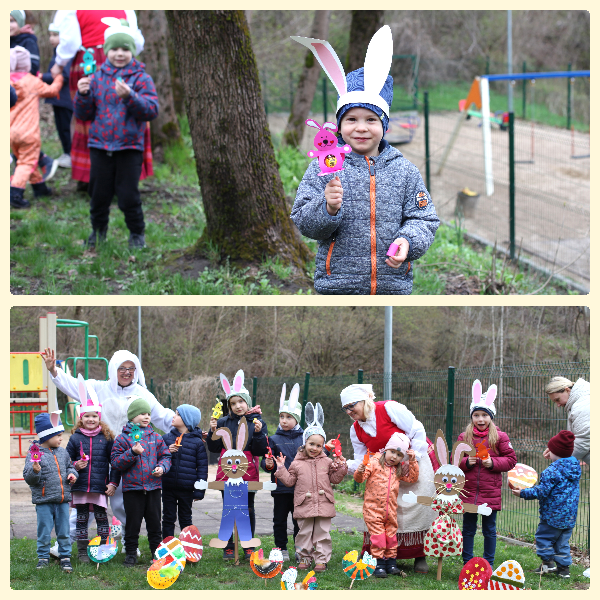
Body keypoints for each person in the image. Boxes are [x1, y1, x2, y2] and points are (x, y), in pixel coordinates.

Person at [290, 27, 439, 294]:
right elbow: (302, 219)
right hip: (337, 286)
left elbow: (424, 219)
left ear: (384, 125)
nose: (361, 128)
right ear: (339, 124)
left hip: (391, 286)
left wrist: (408, 241)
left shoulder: (405, 171)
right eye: (351, 120)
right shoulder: (324, 168)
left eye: (371, 119)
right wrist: (328, 208)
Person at [41, 347, 174, 558]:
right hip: (99, 456)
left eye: (131, 368)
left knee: (128, 504)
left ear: (137, 370)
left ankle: (130, 544)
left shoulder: (142, 394)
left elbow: (162, 416)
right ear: (113, 369)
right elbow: (75, 385)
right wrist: (54, 371)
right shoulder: (98, 388)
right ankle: (63, 544)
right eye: (122, 368)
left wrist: (184, 425)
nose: (127, 372)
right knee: (87, 500)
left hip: (131, 459)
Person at [73, 17, 158, 249]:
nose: (119, 54)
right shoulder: (97, 78)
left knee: (128, 195)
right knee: (98, 195)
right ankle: (98, 232)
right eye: (115, 49)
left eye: (125, 49)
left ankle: (137, 234)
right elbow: (84, 114)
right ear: (107, 51)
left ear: (132, 51)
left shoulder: (141, 78)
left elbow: (151, 110)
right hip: (100, 146)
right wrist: (82, 95)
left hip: (129, 147)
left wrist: (131, 97)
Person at [333, 383, 436, 574]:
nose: (348, 411)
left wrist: (412, 459)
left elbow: (417, 429)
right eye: (344, 408)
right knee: (385, 511)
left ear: (364, 401)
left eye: (351, 406)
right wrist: (345, 465)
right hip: (382, 471)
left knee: (415, 508)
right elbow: (361, 458)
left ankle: (419, 555)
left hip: (413, 457)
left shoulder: (388, 408)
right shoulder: (355, 429)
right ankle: (383, 556)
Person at [50, 9, 148, 191]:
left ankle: (87, 176)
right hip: (125, 61)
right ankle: (125, 176)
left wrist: (58, 64)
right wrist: (125, 50)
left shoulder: (71, 8)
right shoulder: (126, 7)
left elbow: (70, 42)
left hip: (89, 62)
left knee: (86, 117)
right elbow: (137, 42)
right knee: (124, 112)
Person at [274, 402, 347, 572]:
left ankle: (321, 560)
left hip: (323, 503)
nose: (314, 448)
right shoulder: (297, 463)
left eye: (319, 445)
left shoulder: (328, 462)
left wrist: (342, 468)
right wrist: (281, 469)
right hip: (304, 504)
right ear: (305, 442)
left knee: (322, 534)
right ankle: (304, 558)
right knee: (304, 533)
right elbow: (290, 481)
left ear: (323, 447)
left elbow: (335, 479)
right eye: (311, 444)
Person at [207, 371, 268, 560]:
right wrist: (212, 431)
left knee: (248, 507)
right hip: (227, 470)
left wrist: (258, 434)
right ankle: (229, 545)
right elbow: (215, 447)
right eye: (233, 403)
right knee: (229, 507)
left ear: (247, 402)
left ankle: (247, 544)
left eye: (240, 402)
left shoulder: (258, 423)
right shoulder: (224, 421)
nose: (237, 406)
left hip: (248, 469)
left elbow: (259, 450)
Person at [456, 380, 516, 568]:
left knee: (489, 529)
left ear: (491, 416)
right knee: (468, 529)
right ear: (471, 417)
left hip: (490, 492)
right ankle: (467, 561)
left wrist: (493, 463)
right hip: (468, 490)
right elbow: (454, 461)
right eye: (476, 415)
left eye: (484, 415)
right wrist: (466, 462)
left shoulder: (500, 437)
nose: (480, 419)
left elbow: (511, 459)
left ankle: (488, 564)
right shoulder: (464, 437)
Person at [511, 430, 581, 579]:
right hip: (570, 516)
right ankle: (564, 570)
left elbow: (541, 491)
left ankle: (548, 563)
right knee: (562, 543)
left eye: (551, 450)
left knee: (543, 537)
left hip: (552, 515)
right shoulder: (574, 467)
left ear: (555, 452)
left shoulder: (551, 471)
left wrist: (523, 493)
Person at [111, 397, 171, 566]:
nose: (146, 417)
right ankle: (130, 554)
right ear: (132, 417)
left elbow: (165, 456)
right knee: (132, 524)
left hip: (153, 488)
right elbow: (116, 463)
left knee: (154, 524)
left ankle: (156, 553)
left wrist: (162, 467)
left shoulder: (156, 438)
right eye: (142, 414)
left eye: (148, 414)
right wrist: (132, 452)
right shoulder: (122, 439)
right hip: (133, 489)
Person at [65, 390, 120, 563]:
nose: (91, 419)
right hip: (80, 486)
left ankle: (103, 550)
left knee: (101, 518)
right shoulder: (75, 438)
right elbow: (66, 460)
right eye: (87, 416)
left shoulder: (106, 437)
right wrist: (75, 465)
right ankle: (82, 553)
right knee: (81, 519)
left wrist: (112, 483)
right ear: (81, 418)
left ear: (99, 418)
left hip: (99, 486)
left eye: (94, 416)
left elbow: (115, 462)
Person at [354, 432, 419, 578]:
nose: (394, 457)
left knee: (391, 537)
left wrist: (413, 461)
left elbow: (413, 478)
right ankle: (378, 563)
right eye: (392, 452)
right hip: (373, 510)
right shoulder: (374, 463)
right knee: (378, 537)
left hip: (391, 511)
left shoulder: (398, 469)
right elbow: (360, 479)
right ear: (386, 450)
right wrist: (360, 471)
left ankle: (391, 563)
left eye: (399, 454)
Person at [23, 411, 78, 573]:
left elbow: (70, 467)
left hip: (62, 500)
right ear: (47, 436)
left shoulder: (62, 452)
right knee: (44, 531)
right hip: (44, 501)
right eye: (58, 435)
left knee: (64, 531)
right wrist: (35, 470)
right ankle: (43, 558)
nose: (61, 438)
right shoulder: (35, 454)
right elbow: (29, 478)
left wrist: (72, 475)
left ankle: (65, 557)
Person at [10, 46, 64, 209]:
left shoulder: (8, 81)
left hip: (10, 132)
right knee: (27, 162)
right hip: (29, 133)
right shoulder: (31, 81)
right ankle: (15, 193)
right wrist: (59, 78)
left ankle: (40, 188)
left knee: (25, 159)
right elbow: (52, 91)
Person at [10, 9, 59, 182]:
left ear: (21, 23)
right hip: (11, 94)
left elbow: (31, 68)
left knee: (23, 138)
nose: (8, 26)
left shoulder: (28, 40)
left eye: (12, 21)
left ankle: (18, 186)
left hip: (24, 94)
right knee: (17, 140)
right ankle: (39, 183)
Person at [261, 383, 304, 562]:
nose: (284, 420)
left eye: (288, 417)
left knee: (299, 521)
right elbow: (266, 461)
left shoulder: (305, 438)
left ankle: (300, 549)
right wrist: (268, 463)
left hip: (301, 489)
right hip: (280, 489)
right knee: (279, 520)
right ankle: (281, 548)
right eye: (281, 417)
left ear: (297, 419)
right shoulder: (273, 439)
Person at [161, 405, 208, 539]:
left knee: (186, 519)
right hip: (168, 486)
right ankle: (167, 547)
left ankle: (187, 547)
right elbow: (158, 459)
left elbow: (202, 468)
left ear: (187, 420)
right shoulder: (166, 439)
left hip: (187, 488)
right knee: (168, 518)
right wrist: (166, 451)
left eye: (177, 414)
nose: (173, 416)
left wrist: (200, 490)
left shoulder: (197, 442)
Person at [41, 16, 74, 169]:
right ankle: (67, 152)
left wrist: (42, 77)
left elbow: (64, 76)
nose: (51, 39)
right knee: (61, 127)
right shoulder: (56, 53)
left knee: (66, 127)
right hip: (57, 98)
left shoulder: (65, 56)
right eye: (50, 35)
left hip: (66, 99)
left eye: (55, 35)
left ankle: (70, 153)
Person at [545, 376, 590, 465]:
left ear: (567, 390)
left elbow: (583, 441)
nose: (558, 405)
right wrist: (555, 449)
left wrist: (560, 459)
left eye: (557, 399)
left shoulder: (582, 406)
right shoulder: (580, 401)